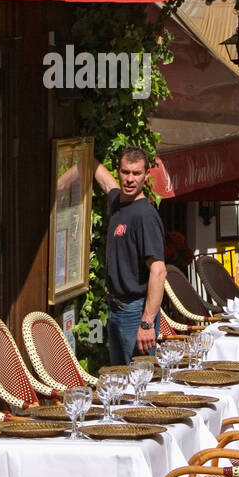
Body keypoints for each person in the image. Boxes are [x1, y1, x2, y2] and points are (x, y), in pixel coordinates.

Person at [93, 148, 166, 365]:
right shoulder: (118, 202)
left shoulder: (144, 215)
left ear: (146, 176)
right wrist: (86, 153)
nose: (130, 179)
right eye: (125, 172)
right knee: (121, 378)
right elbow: (106, 183)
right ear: (119, 171)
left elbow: (158, 270)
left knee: (136, 383)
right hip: (117, 308)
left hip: (135, 312)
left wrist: (147, 324)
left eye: (136, 173)